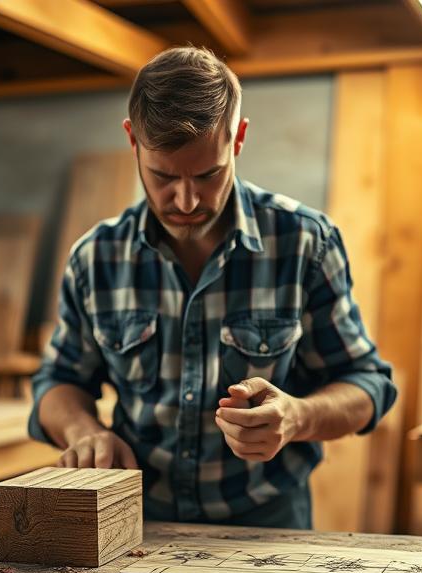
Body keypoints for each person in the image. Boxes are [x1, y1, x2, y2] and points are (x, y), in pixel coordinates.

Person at [29, 46, 396, 528]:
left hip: (266, 522)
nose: (185, 200)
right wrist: (83, 429)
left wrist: (297, 417)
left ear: (238, 138)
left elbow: (368, 382)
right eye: (162, 176)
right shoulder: (95, 258)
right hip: (136, 522)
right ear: (132, 140)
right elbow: (58, 382)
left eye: (208, 175)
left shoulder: (305, 241)